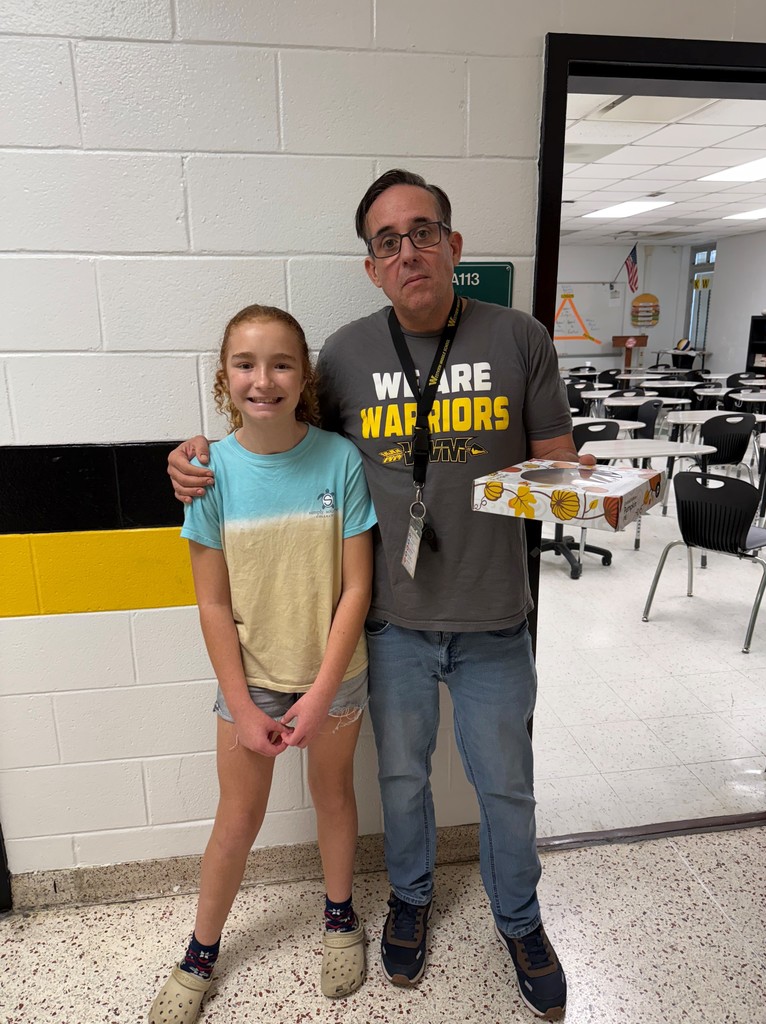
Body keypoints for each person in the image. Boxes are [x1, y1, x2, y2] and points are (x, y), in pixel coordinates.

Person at [168, 171, 590, 1021]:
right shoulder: (346, 356)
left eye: (423, 232)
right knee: (401, 780)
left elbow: (560, 464)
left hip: (496, 618)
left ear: (453, 245)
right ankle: (409, 901)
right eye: (387, 242)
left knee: (507, 787)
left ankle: (520, 921)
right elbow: (283, 438)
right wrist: (193, 457)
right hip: (393, 622)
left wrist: (589, 488)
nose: (408, 252)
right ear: (371, 266)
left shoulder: (520, 337)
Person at [151, 304, 376, 1024]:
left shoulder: (340, 461)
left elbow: (357, 588)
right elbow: (212, 602)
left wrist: (322, 692)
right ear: (225, 379)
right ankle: (200, 953)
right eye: (245, 364)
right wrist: (244, 706)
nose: (263, 379)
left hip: (334, 676)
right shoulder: (208, 473)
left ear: (303, 376)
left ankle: (340, 917)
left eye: (281, 364)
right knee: (237, 817)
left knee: (333, 796)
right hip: (249, 683)